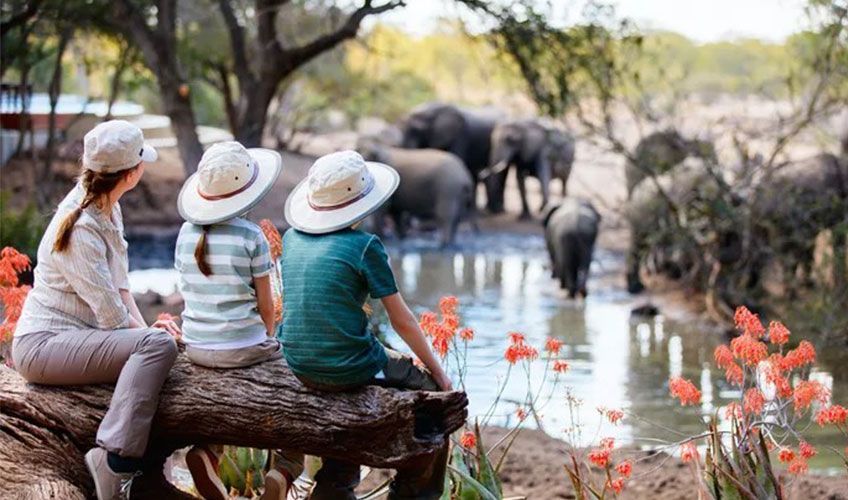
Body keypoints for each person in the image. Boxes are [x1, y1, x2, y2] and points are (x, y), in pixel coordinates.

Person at [11, 120, 181, 500]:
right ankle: (115, 461)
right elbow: (111, 318)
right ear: (131, 173)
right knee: (158, 348)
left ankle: (145, 472)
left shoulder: (107, 208)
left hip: (75, 339)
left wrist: (150, 330)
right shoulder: (81, 227)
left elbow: (122, 291)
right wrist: (151, 340)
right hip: (43, 346)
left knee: (158, 344)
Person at [281, 150, 453, 500]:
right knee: (435, 401)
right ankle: (414, 493)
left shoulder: (291, 238)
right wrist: (439, 373)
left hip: (296, 362)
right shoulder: (364, 245)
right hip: (349, 365)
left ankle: (335, 486)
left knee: (348, 404)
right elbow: (401, 319)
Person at [175, 141, 303, 500]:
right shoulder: (251, 236)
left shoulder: (185, 233)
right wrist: (269, 337)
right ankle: (284, 469)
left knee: (220, 396)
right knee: (294, 391)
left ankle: (208, 451)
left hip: (197, 347)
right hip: (244, 347)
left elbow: (187, 289)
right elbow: (266, 303)